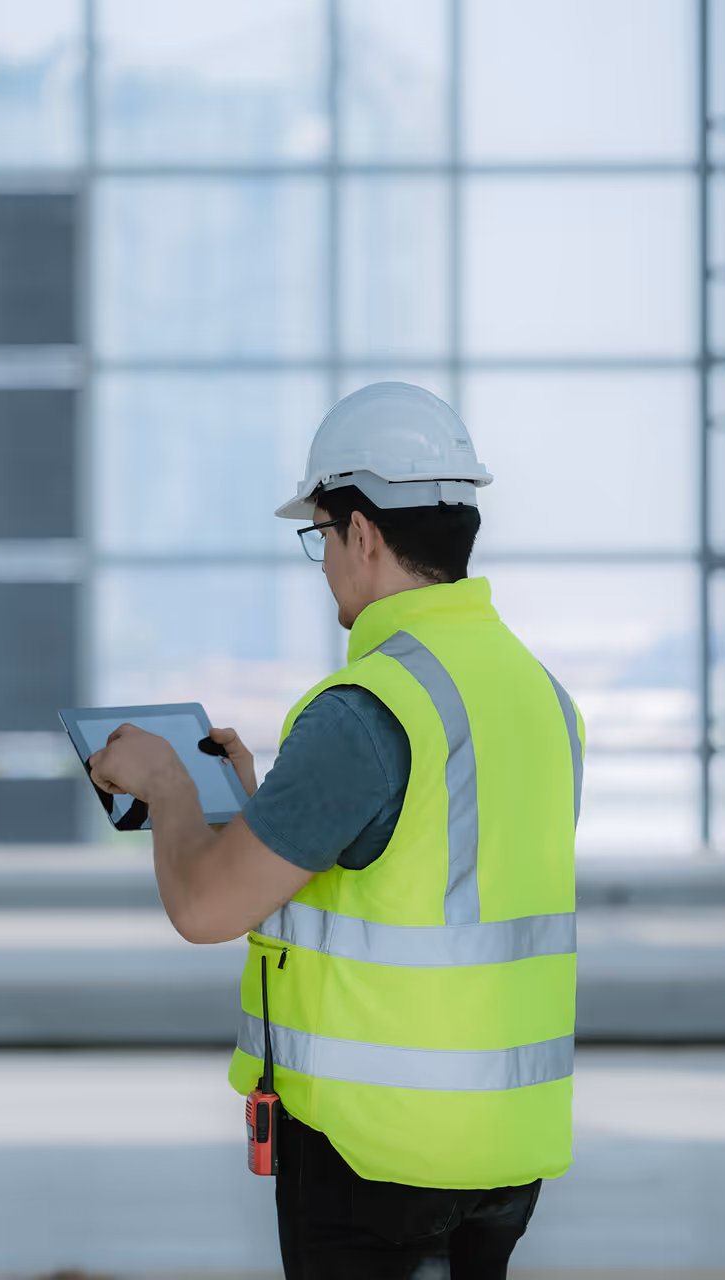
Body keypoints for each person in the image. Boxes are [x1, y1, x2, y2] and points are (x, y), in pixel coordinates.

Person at [87, 382, 584, 1280]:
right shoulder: (535, 693)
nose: (320, 565)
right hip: (506, 1145)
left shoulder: (367, 707)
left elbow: (205, 908)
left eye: (319, 537)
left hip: (377, 1153)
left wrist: (167, 786)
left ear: (361, 531)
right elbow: (419, 867)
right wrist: (248, 803)